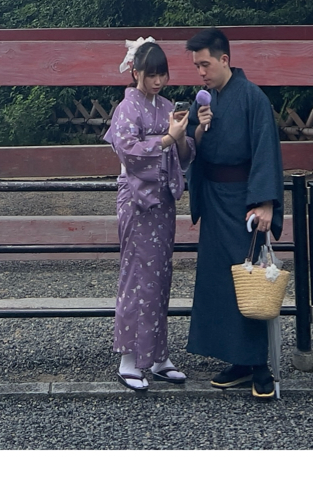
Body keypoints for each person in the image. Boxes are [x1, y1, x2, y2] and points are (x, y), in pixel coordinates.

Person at [183, 27, 285, 399]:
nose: (201, 73)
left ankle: (259, 365)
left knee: (249, 278)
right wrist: (200, 130)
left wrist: (265, 203)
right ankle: (237, 360)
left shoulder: (252, 98)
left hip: (244, 200)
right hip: (213, 197)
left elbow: (266, 150)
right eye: (196, 66)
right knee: (221, 282)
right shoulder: (204, 101)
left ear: (225, 59)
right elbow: (191, 147)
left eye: (205, 64)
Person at [104, 38, 192, 392]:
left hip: (163, 200)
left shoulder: (167, 107)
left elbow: (184, 156)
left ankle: (157, 356)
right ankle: (128, 358)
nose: (157, 82)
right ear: (135, 73)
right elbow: (129, 150)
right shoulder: (127, 108)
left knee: (160, 274)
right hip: (137, 200)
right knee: (135, 275)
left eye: (162, 75)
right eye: (151, 75)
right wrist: (168, 139)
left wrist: (183, 135)